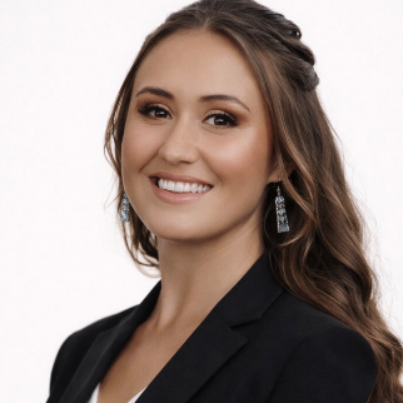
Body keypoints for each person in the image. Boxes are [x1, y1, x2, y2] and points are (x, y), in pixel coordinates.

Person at [46, 0, 403, 402]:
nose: (175, 149)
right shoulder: (80, 353)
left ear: (283, 157)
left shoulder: (314, 353)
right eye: (156, 111)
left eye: (221, 119)